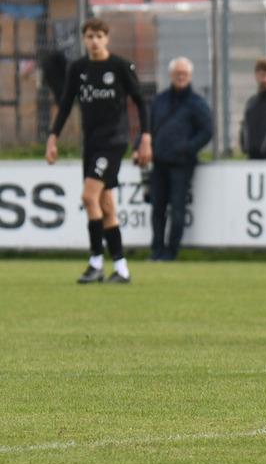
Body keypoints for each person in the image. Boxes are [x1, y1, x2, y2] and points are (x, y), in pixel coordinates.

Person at [46, 17, 152, 283]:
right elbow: (67, 104)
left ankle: (95, 263)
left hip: (114, 141)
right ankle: (122, 268)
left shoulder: (118, 66)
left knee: (88, 197)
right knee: (106, 206)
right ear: (84, 39)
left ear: (107, 39)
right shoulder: (78, 68)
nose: (94, 41)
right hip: (91, 143)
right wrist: (52, 137)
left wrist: (146, 138)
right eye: (89, 37)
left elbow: (140, 101)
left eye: (99, 36)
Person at [144, 57, 213, 261]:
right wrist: (143, 146)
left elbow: (207, 130)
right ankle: (157, 249)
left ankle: (171, 251)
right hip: (159, 162)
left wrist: (187, 149)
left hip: (182, 164)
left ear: (190, 76)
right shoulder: (160, 100)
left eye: (184, 74)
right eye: (177, 74)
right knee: (157, 208)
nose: (180, 77)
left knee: (177, 208)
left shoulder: (197, 103)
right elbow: (148, 126)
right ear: (170, 76)